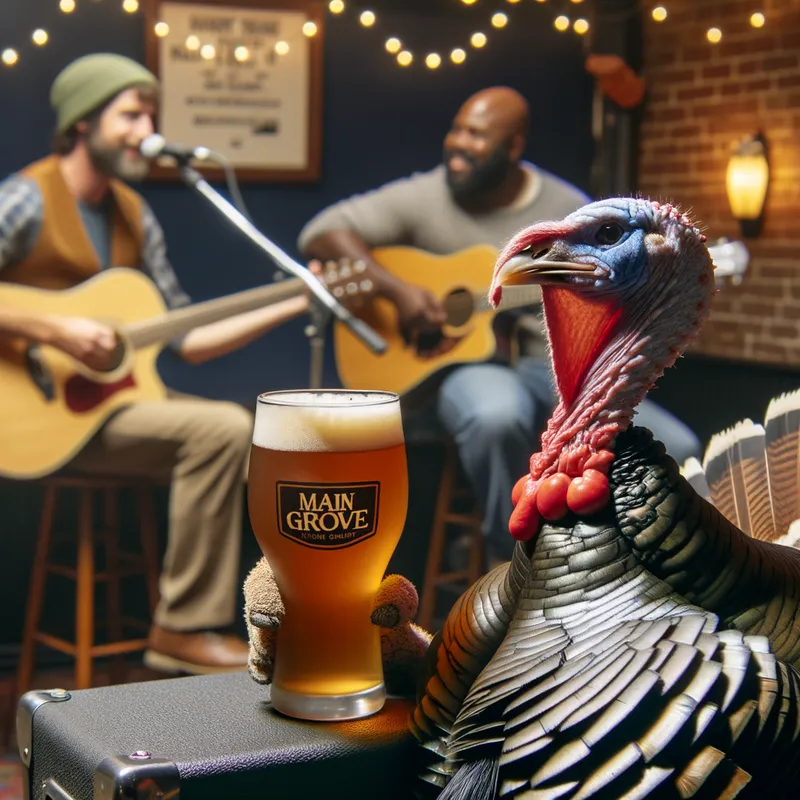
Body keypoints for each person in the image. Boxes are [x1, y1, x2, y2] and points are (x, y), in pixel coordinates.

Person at [298, 86, 701, 566]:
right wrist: (399, 293)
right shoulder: (429, 193)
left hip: (550, 368)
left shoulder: (563, 206)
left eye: (476, 135)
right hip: (459, 368)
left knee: (679, 445)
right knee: (496, 414)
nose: (459, 144)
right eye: (457, 129)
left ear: (512, 148)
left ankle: (643, 574)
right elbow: (320, 233)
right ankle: (513, 569)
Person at [0, 53, 309, 674]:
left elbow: (187, 338)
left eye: (149, 114)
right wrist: (53, 328)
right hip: (30, 417)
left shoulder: (135, 214)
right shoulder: (26, 198)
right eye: (130, 114)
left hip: (109, 410)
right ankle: (183, 628)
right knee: (218, 428)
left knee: (243, 425)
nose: (145, 127)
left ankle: (243, 620)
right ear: (83, 123)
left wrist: (296, 298)